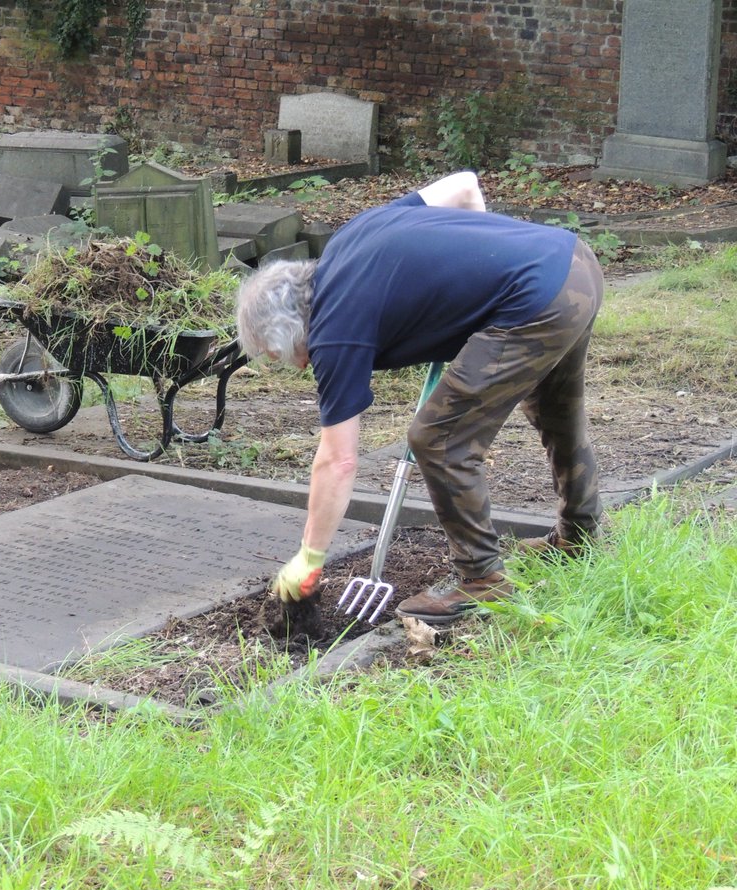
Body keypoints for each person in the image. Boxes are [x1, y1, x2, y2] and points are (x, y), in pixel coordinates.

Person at [235, 171, 604, 625]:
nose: (295, 366)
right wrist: (475, 288)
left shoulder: (334, 330)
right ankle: (579, 535)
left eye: (279, 354)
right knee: (556, 410)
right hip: (573, 264)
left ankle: (482, 580)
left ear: (290, 327)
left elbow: (338, 461)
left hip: (534, 299)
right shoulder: (349, 240)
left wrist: (310, 556)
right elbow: (465, 188)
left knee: (438, 438)